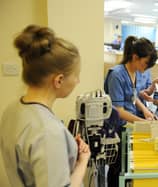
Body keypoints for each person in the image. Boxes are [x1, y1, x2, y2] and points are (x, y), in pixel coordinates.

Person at [0, 25, 91, 187]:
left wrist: (66, 147)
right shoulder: (48, 132)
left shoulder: (12, 110)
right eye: (76, 75)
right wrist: (82, 163)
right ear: (59, 80)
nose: (78, 81)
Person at [104, 35, 158, 187]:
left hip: (128, 126)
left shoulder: (134, 73)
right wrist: (142, 123)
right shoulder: (116, 75)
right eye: (145, 63)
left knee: (127, 166)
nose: (146, 68)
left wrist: (144, 110)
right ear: (135, 57)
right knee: (117, 169)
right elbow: (118, 110)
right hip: (116, 128)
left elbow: (133, 97)